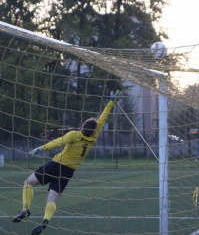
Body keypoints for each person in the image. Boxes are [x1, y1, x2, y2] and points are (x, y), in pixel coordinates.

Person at [13, 90, 122, 235]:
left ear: (83, 126)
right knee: (53, 197)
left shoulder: (74, 135)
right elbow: (103, 118)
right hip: (68, 172)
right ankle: (45, 220)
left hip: (55, 165)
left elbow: (57, 142)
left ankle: (26, 209)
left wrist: (41, 148)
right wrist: (112, 102)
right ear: (93, 130)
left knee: (28, 182)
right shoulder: (93, 137)